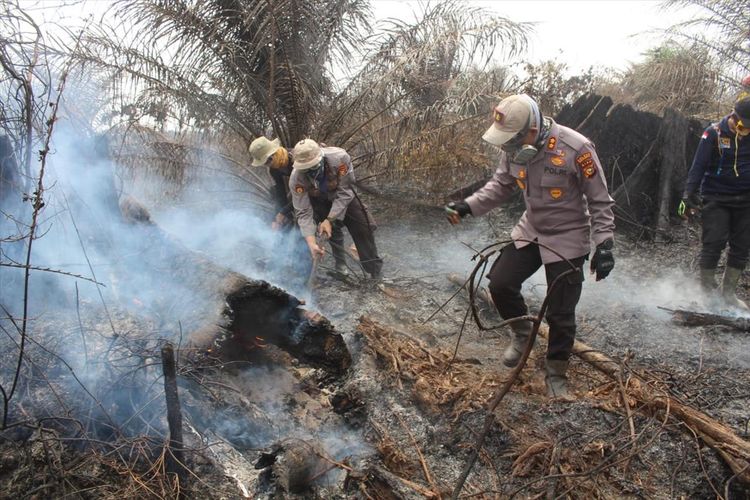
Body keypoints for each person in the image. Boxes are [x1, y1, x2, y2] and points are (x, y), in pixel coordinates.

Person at [445, 94, 616, 398]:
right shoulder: (513, 148)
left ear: (532, 131)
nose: (506, 147)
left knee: (561, 312)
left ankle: (556, 373)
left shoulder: (577, 149)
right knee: (500, 283)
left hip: (568, 237)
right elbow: (500, 185)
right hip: (532, 230)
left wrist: (604, 244)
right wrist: (467, 206)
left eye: (511, 141)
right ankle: (522, 333)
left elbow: (600, 200)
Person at [679, 97, 750, 310]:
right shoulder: (713, 133)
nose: (745, 128)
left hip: (746, 199)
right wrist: (688, 195)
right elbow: (698, 165)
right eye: (743, 123)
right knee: (714, 243)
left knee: (741, 247)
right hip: (716, 198)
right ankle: (707, 294)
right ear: (733, 116)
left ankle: (728, 294)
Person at [289, 138, 383, 279]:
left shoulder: (340, 159)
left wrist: (330, 218)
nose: (310, 171)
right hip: (320, 201)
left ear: (321, 157)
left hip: (344, 196)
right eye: (305, 169)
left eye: (313, 166)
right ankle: (340, 266)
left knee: (363, 227)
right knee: (328, 232)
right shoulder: (296, 179)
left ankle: (375, 271)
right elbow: (303, 212)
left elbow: (346, 191)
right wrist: (311, 243)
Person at [248, 136, 311, 287]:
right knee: (285, 229)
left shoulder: (298, 160)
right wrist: (277, 217)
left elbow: (303, 193)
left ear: (274, 154)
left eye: (267, 161)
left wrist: (284, 211)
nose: (267, 165)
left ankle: (308, 274)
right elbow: (281, 194)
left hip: (311, 195)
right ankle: (285, 267)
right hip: (295, 197)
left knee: (305, 234)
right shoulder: (275, 170)